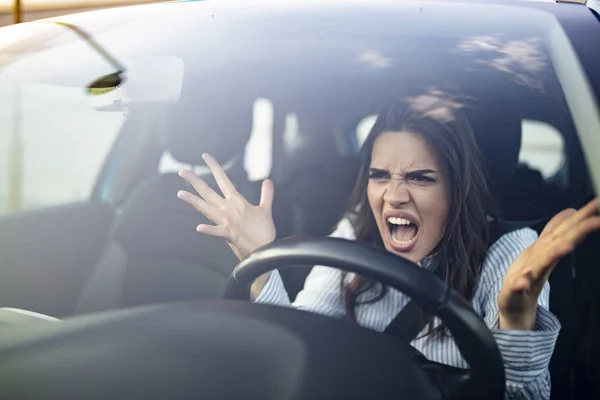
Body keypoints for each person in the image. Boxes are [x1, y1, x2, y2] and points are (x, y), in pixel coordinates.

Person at [176, 98, 600, 399]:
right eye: (380, 175)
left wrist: (516, 317)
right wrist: (261, 261)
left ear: (456, 190)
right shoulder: (355, 230)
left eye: (419, 177)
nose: (393, 196)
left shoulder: (511, 251)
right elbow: (301, 342)